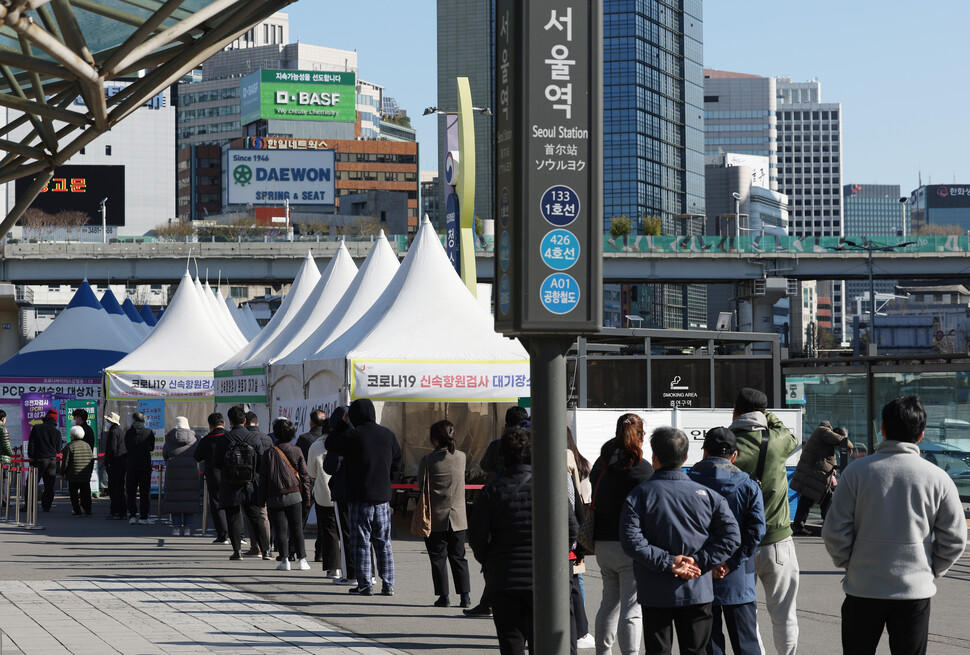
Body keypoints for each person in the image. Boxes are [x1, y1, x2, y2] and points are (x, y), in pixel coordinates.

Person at [822, 396, 967, 655]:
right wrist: (931, 569)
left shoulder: (857, 472)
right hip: (914, 592)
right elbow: (955, 538)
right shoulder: (938, 478)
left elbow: (834, 530)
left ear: (883, 430)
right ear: (921, 435)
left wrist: (851, 563)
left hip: (863, 588)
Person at [620, 426, 741, 655]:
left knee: (658, 651)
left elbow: (631, 540)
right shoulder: (708, 496)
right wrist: (699, 562)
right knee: (696, 650)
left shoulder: (639, 495)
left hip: (655, 589)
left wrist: (670, 562)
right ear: (686, 457)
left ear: (654, 456)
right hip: (696, 589)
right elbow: (731, 536)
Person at [729, 387, 799, 655]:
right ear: (764, 413)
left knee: (748, 616)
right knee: (784, 615)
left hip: (738, 545)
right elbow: (789, 434)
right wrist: (768, 416)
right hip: (778, 542)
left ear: (735, 412)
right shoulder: (778, 439)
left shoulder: (729, 443)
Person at [687, 427, 766, 655]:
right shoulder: (749, 486)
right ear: (734, 455)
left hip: (699, 575)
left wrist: (706, 562)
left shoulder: (689, 483)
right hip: (739, 576)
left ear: (704, 452)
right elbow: (756, 532)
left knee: (710, 645)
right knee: (746, 645)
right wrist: (731, 563)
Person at [589, 413, 654, 655]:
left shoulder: (603, 463)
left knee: (609, 603)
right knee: (631, 607)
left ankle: (602, 652)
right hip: (630, 544)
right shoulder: (642, 469)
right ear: (639, 436)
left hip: (602, 544)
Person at [469, 425, 536, 654]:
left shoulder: (491, 491)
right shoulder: (548, 487)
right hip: (543, 578)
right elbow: (571, 528)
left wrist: (488, 560)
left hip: (503, 576)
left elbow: (476, 537)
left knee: (511, 643)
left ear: (502, 456)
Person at [325, 398, 402, 596]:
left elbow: (331, 444)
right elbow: (397, 461)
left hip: (359, 496)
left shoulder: (353, 435)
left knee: (361, 542)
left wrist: (342, 424)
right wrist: (387, 479)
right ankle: (389, 583)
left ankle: (365, 583)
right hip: (383, 497)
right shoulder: (388, 435)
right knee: (383, 542)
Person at [464, 404, 530, 619]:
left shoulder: (497, 445)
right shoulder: (536, 441)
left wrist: (486, 558)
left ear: (506, 424)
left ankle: (488, 601)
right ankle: (487, 602)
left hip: (501, 502)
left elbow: (484, 466)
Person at [418, 419, 471, 608]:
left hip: (436, 517)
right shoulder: (462, 457)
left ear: (434, 439)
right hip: (458, 516)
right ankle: (465, 596)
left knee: (438, 557)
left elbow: (420, 485)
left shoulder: (427, 460)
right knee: (459, 557)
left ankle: (444, 597)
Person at [215, 406, 269, 561]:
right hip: (250, 483)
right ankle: (265, 550)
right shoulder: (253, 438)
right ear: (245, 421)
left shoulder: (224, 439)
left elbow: (216, 462)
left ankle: (237, 551)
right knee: (255, 517)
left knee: (233, 517)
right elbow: (260, 461)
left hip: (230, 483)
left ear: (230, 421)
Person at [260, 418, 311, 571]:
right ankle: (302, 560)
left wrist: (261, 500)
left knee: (281, 530)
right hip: (295, 494)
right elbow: (304, 476)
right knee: (297, 529)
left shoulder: (268, 453)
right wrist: (307, 497)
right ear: (292, 434)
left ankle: (284, 560)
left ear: (275, 434)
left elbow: (263, 480)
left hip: (274, 496)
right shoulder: (297, 450)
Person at [790, 422, 850, 536]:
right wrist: (847, 444)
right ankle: (826, 527)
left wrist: (833, 468)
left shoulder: (825, 440)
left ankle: (802, 526)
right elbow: (842, 441)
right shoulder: (823, 431)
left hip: (814, 476)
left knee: (813, 500)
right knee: (820, 500)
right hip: (812, 476)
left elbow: (829, 457)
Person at [322, 406, 357, 585]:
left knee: (346, 533)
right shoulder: (363, 434)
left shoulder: (340, 438)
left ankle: (350, 574)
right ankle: (369, 574)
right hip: (363, 491)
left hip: (343, 491)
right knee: (365, 534)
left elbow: (330, 467)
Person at [306, 416, 340, 574]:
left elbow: (311, 473)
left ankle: (333, 569)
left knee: (329, 532)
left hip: (324, 495)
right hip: (345, 494)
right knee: (347, 532)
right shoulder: (346, 442)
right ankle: (351, 569)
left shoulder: (316, 445)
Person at [194, 412, 229, 544]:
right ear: (223, 423)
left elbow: (197, 457)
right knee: (233, 504)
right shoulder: (229, 437)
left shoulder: (207, 439)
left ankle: (222, 535)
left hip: (213, 475)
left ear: (210, 426)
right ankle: (239, 535)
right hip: (230, 475)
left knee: (216, 505)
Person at [162, 416, 199, 537]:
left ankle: (176, 528)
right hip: (191, 475)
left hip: (173, 474)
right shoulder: (194, 440)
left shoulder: (169, 440)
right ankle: (188, 528)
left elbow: (165, 455)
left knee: (175, 500)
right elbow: (198, 456)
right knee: (189, 500)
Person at [244, 411, 273, 558]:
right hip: (265, 480)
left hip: (248, 480)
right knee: (263, 514)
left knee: (251, 515)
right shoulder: (267, 438)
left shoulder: (244, 437)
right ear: (258, 423)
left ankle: (256, 546)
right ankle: (267, 545)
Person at [27, 408, 61, 512]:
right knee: (49, 485)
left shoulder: (37, 428)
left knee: (31, 483)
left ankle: (29, 506)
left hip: (38, 459)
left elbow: (31, 444)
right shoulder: (57, 432)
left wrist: (31, 456)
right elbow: (58, 449)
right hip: (51, 460)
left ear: (46, 418)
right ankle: (46, 506)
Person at [125, 411, 155, 524]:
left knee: (131, 492)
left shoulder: (128, 433)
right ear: (144, 420)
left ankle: (132, 515)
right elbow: (152, 447)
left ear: (133, 420)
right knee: (144, 492)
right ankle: (144, 516)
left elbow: (127, 446)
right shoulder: (149, 432)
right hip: (145, 465)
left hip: (132, 465)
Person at [61, 425, 94, 517]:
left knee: (74, 494)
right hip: (85, 474)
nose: (70, 436)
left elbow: (65, 462)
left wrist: (62, 472)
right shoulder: (87, 445)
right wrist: (89, 472)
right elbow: (91, 460)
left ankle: (77, 510)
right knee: (86, 493)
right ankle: (88, 509)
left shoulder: (69, 446)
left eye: (71, 435)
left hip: (73, 474)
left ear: (73, 436)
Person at [102, 412, 127, 520]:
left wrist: (108, 462)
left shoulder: (113, 432)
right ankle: (122, 511)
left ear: (111, 421)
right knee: (120, 488)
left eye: (107, 421)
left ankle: (115, 511)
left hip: (115, 463)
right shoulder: (120, 431)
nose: (106, 423)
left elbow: (112, 449)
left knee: (114, 489)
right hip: (122, 463)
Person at [0, 410, 12, 508]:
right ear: (3, 418)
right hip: (3, 459)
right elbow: (6, 445)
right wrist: (10, 453)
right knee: (5, 480)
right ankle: (4, 501)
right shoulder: (3, 429)